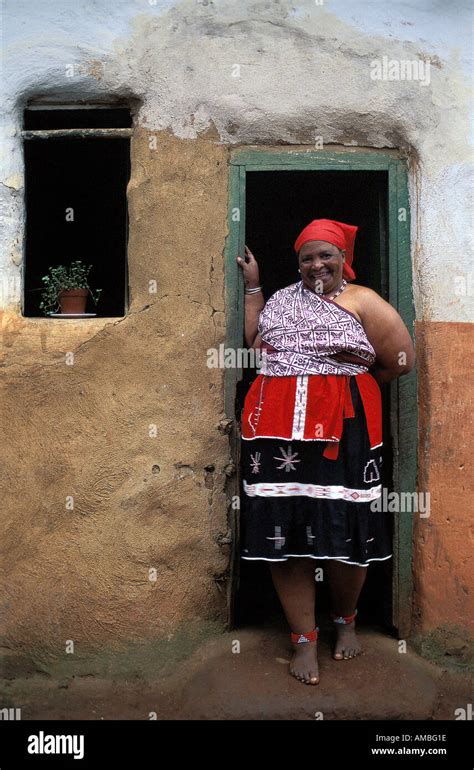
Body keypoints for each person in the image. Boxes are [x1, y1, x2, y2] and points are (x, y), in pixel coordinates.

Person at [235, 218, 415, 686]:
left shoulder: (363, 301)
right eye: (307, 258)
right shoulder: (282, 300)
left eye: (325, 255)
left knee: (344, 529)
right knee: (286, 528)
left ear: (343, 260)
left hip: (345, 430)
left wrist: (349, 387)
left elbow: (400, 360)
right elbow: (256, 345)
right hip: (277, 432)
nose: (317, 265)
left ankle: (346, 620)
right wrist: (254, 289)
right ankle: (303, 639)